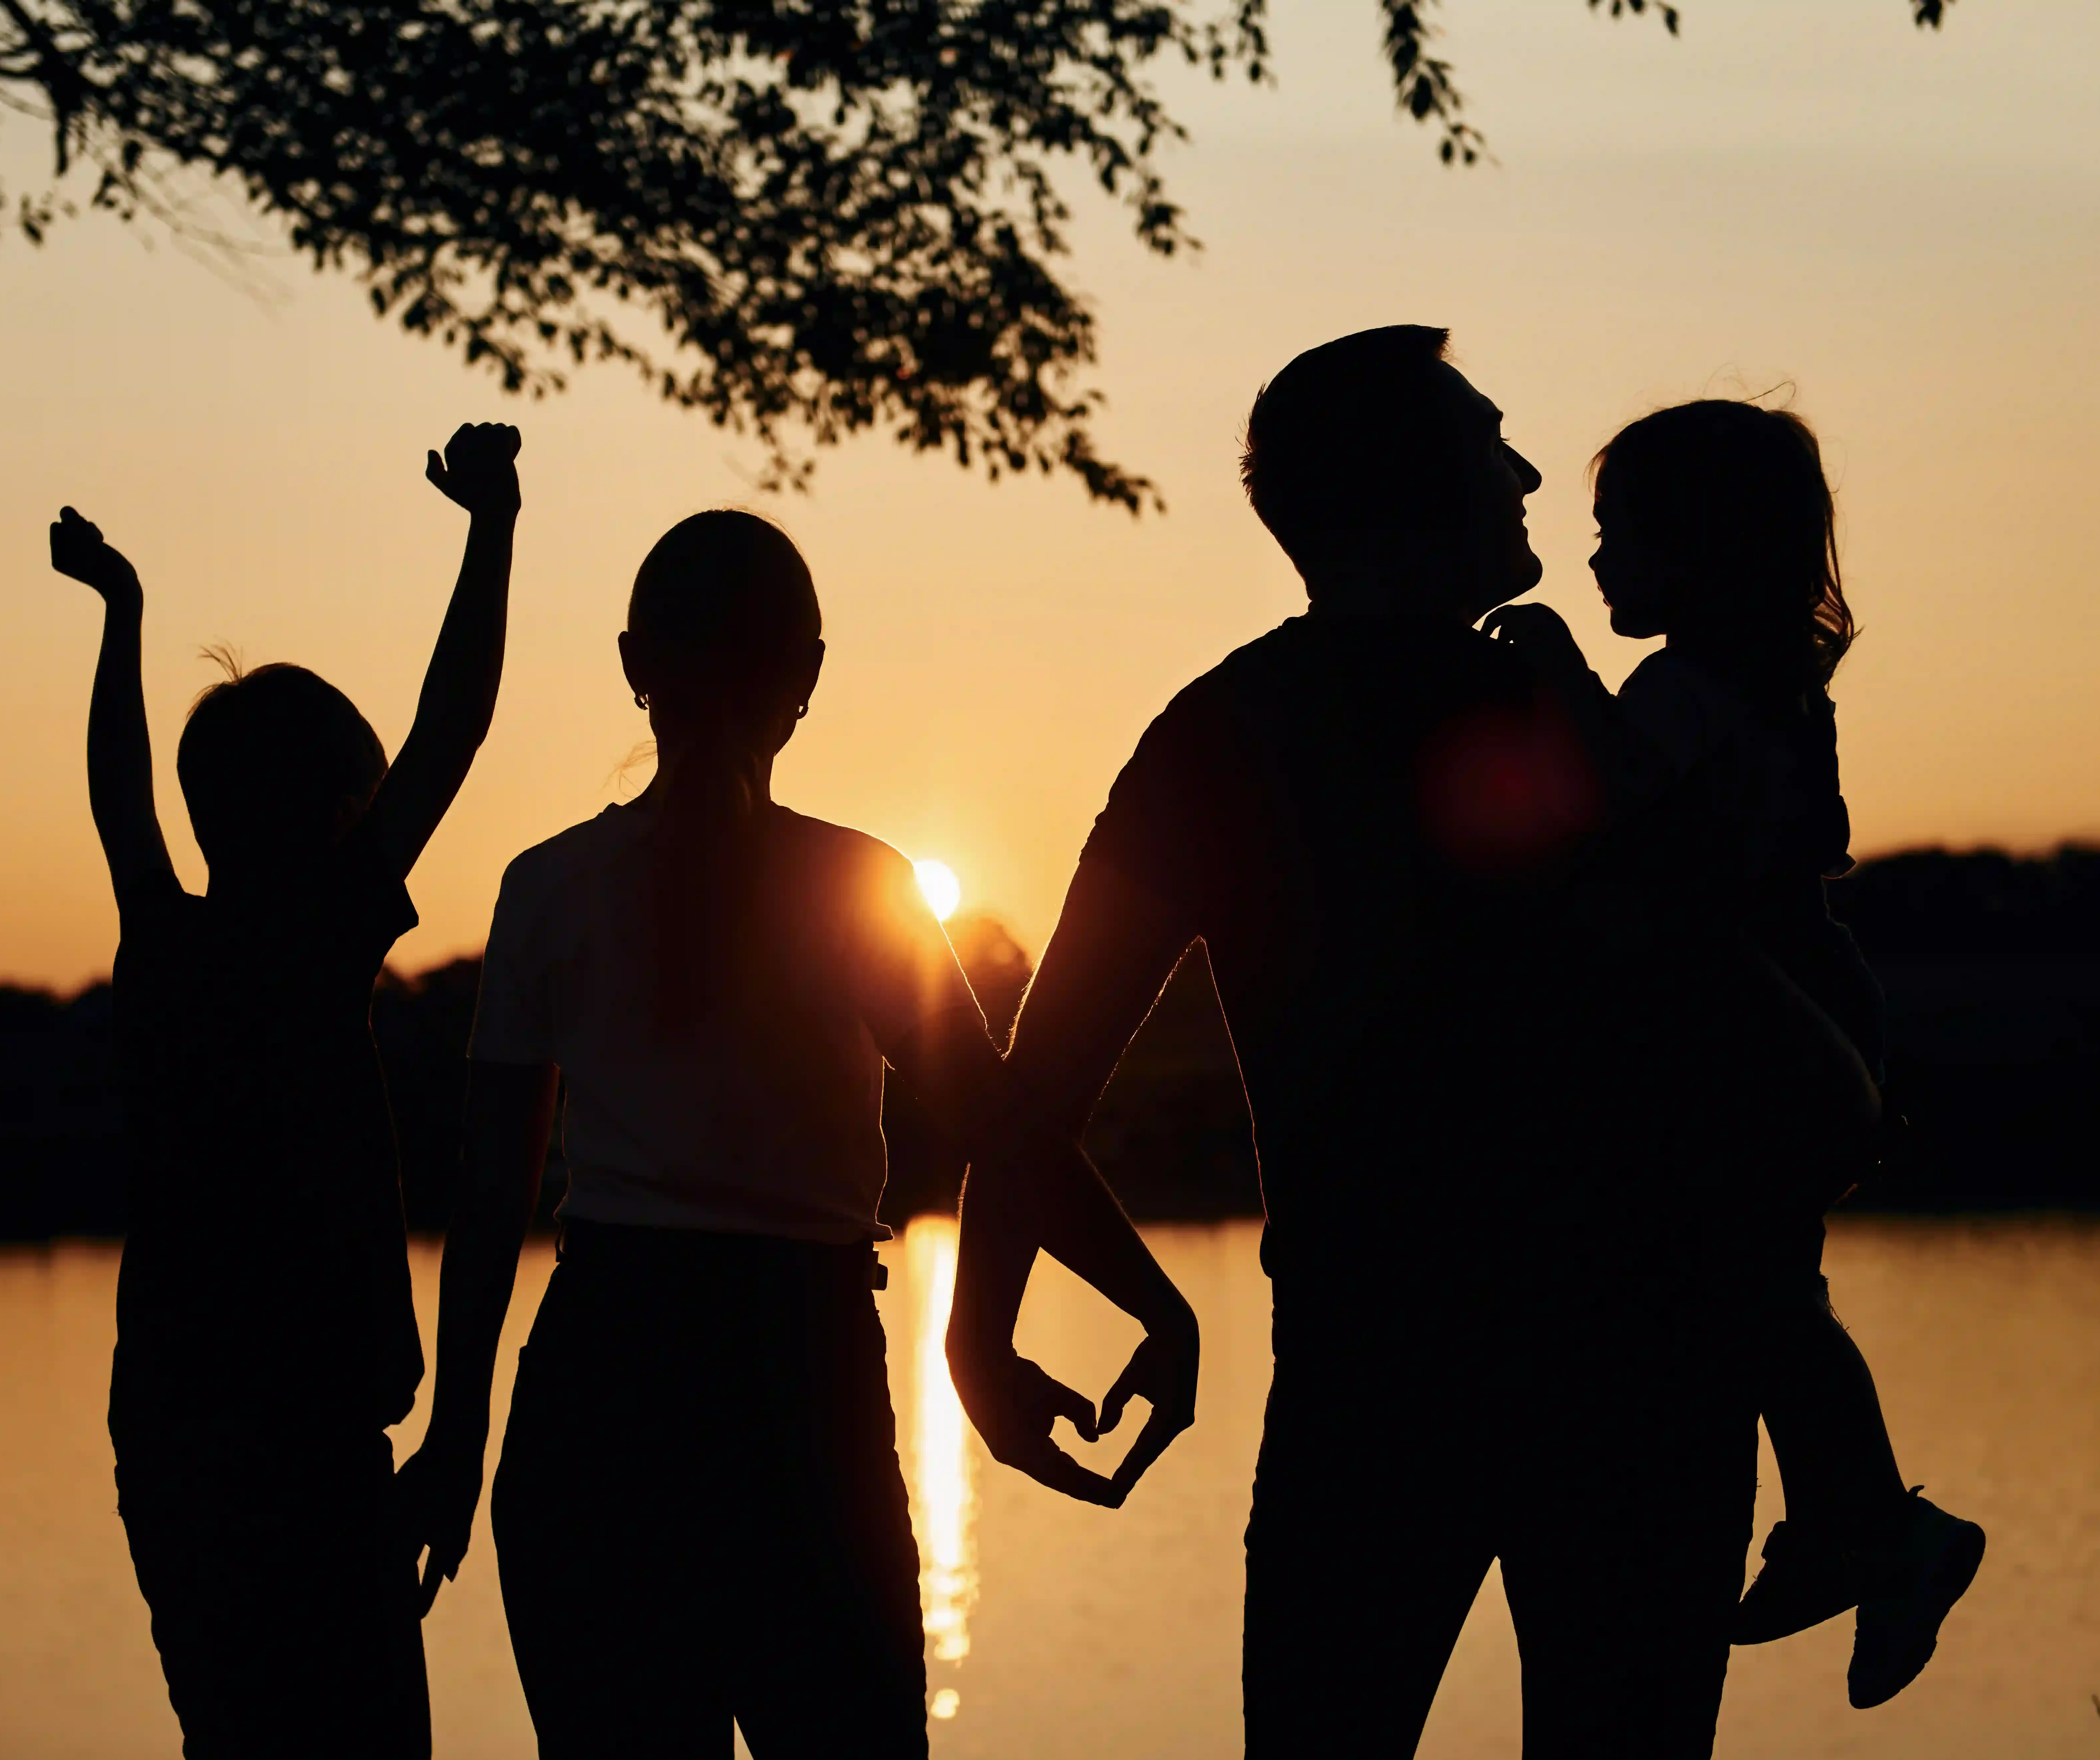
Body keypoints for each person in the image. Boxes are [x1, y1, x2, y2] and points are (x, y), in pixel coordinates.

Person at [947, 327, 1886, 1759]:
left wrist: (982, 1321)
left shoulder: (1221, 734)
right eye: (1486, 444)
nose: (1521, 471)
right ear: (1399, 490)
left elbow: (1035, 1089)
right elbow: (1813, 1037)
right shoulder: (1618, 731)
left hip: (1401, 1383)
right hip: (1610, 1382)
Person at [395, 509, 1197, 1757]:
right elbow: (1004, 1130)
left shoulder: (544, 887)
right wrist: (1157, 1301)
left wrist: (456, 1437)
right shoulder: (859, 887)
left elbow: (488, 1196)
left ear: (631, 664)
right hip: (794, 1390)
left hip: (598, 1394)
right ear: (808, 675)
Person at [1487, 397, 1985, 1708]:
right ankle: (1852, 1520)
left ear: (1698, 548)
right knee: (1763, 1285)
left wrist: (1546, 664)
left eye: (1619, 538)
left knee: (1755, 1286)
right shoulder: (1758, 687)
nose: (1591, 566)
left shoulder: (1690, 692)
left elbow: (1611, 791)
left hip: (1753, 1023)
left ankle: (1878, 1525)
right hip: (1782, 1007)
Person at [50, 420, 523, 1759]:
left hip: (170, 1436)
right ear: (331, 818)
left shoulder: (167, 944)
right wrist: (492, 530)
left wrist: (122, 613)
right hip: (306, 1453)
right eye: (367, 797)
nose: (387, 810)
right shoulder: (313, 943)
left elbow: (120, 802)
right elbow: (457, 730)